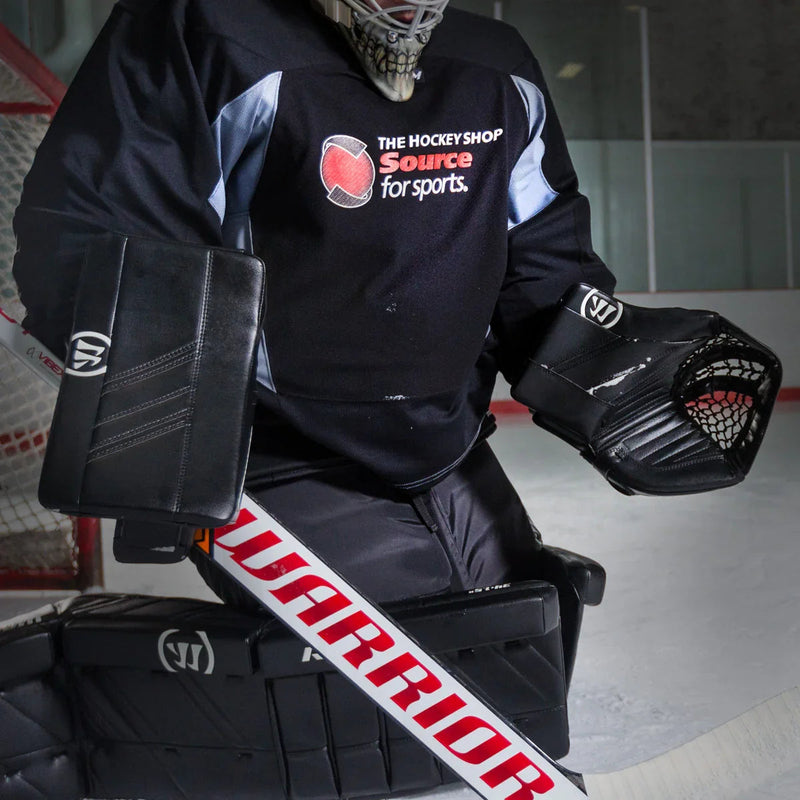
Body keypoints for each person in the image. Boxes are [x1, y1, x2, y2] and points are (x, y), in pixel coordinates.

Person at [13, 0, 615, 606]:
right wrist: (158, 423)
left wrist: (614, 377)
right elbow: (102, 230)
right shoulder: (207, 31)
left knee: (521, 638)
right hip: (271, 459)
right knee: (380, 683)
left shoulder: (494, 62)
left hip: (446, 445)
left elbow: (544, 255)